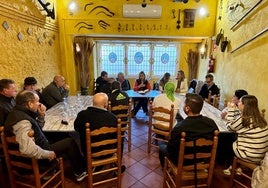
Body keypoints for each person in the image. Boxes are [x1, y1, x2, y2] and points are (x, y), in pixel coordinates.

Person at [4, 90, 87, 182]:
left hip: (38, 146)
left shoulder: (17, 112)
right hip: (34, 160)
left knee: (61, 135)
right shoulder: (22, 122)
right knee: (70, 142)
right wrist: (47, 154)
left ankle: (71, 163)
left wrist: (41, 115)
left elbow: (36, 129)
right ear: (30, 104)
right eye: (37, 101)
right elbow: (27, 149)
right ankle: (80, 171)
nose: (40, 104)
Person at [158, 93, 218, 167]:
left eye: (184, 104)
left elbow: (171, 150)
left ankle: (166, 170)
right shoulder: (211, 124)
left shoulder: (179, 128)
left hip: (183, 161)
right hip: (201, 160)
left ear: (187, 108)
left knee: (161, 144)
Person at [74, 92, 126, 172]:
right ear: (105, 104)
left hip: (90, 152)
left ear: (93, 103)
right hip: (110, 152)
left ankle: (84, 167)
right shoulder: (113, 118)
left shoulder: (82, 115)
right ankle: (117, 167)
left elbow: (76, 129)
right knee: (121, 139)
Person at [223, 95, 268, 175]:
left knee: (224, 140)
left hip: (248, 156)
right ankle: (239, 167)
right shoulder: (260, 118)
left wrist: (231, 110)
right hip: (261, 156)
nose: (238, 103)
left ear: (245, 105)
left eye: (240, 102)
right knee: (236, 138)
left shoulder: (245, 119)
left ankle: (230, 166)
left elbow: (229, 127)